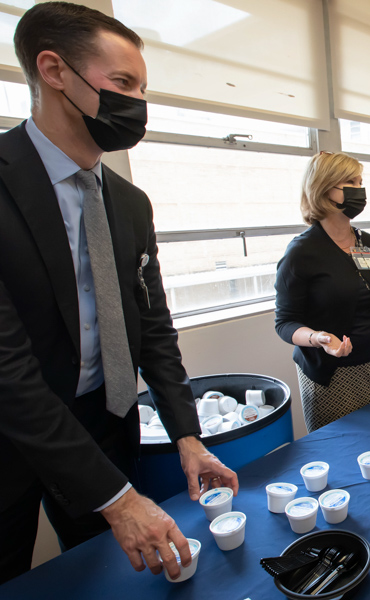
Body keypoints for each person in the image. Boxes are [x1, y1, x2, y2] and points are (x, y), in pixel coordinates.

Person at [0, 2, 239, 584]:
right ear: (54, 71)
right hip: (10, 432)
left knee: (103, 575)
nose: (137, 103)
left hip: (104, 422)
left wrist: (187, 434)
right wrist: (120, 498)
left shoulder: (130, 205)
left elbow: (152, 327)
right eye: (123, 84)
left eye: (142, 87)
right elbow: (8, 370)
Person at [274, 152, 370, 433]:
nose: (359, 189)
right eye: (350, 181)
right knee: (341, 453)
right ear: (324, 189)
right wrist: (318, 338)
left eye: (361, 181)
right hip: (330, 376)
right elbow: (285, 323)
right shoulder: (302, 253)